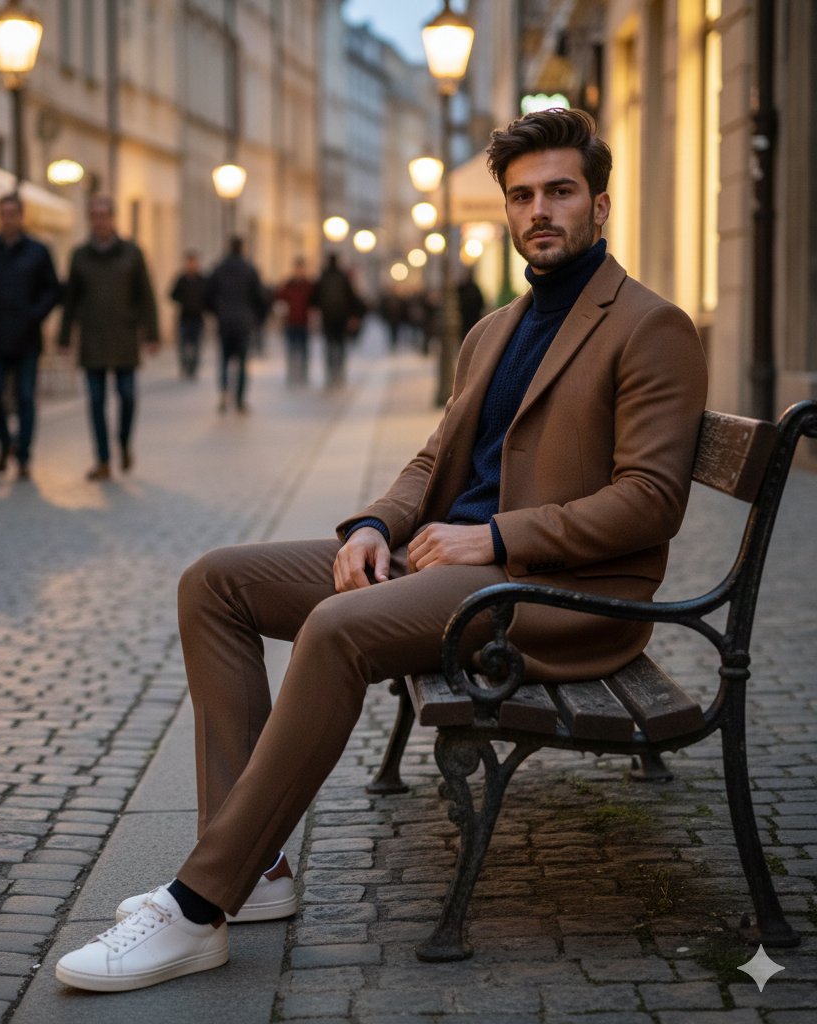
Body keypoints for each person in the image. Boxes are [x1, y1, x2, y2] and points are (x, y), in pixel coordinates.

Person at [55, 108, 708, 992]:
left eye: (560, 191)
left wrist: (497, 535)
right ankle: (260, 874)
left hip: (558, 593)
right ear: (506, 211)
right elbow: (434, 461)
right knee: (215, 583)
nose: (540, 211)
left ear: (599, 203)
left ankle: (201, 905)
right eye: (522, 196)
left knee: (337, 628)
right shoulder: (496, 329)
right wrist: (374, 526)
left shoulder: (649, 325)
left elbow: (650, 501)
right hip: (456, 568)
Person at [59, 195, 160, 481]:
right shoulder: (79, 255)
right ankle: (102, 459)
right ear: (89, 220)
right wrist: (64, 337)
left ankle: (124, 442)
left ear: (113, 219)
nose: (100, 221)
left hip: (124, 336)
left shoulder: (131, 253)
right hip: (91, 337)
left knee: (127, 396)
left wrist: (151, 334)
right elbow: (70, 300)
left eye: (104, 215)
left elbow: (146, 295)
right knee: (95, 401)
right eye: (94, 216)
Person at [0, 193, 61, 479]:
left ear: (21, 216)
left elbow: (53, 289)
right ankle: (6, 443)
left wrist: (35, 314)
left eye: (13, 213)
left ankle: (25, 457)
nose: (8, 219)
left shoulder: (38, 251)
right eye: (4, 213)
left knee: (25, 398)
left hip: (27, 338)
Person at [206, 236, 268, 413]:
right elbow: (260, 297)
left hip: (225, 320)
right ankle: (240, 399)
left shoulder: (219, 269)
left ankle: (224, 391)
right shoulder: (249, 269)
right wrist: (258, 319)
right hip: (243, 321)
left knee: (224, 360)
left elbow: (208, 294)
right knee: (241, 361)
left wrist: (217, 311)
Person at [312, 252, 360, 387]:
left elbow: (315, 298)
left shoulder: (323, 277)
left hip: (328, 317)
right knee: (340, 345)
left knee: (329, 346)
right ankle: (339, 372)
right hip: (341, 317)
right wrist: (353, 315)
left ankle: (331, 373)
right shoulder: (343, 277)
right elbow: (352, 298)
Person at [275, 256, 315, 386]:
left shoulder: (308, 285)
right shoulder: (288, 284)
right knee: (291, 350)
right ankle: (291, 374)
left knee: (304, 350)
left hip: (304, 322)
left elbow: (313, 303)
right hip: (291, 321)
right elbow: (280, 301)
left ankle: (303, 375)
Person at [170, 250, 209, 379]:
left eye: (194, 262)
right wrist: (183, 300)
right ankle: (185, 366)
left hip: (197, 317)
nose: (192, 265)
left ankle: (193, 369)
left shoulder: (202, 279)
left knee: (196, 345)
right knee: (183, 344)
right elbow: (172, 294)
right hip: (184, 316)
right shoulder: (181, 279)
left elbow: (209, 296)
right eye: (190, 262)